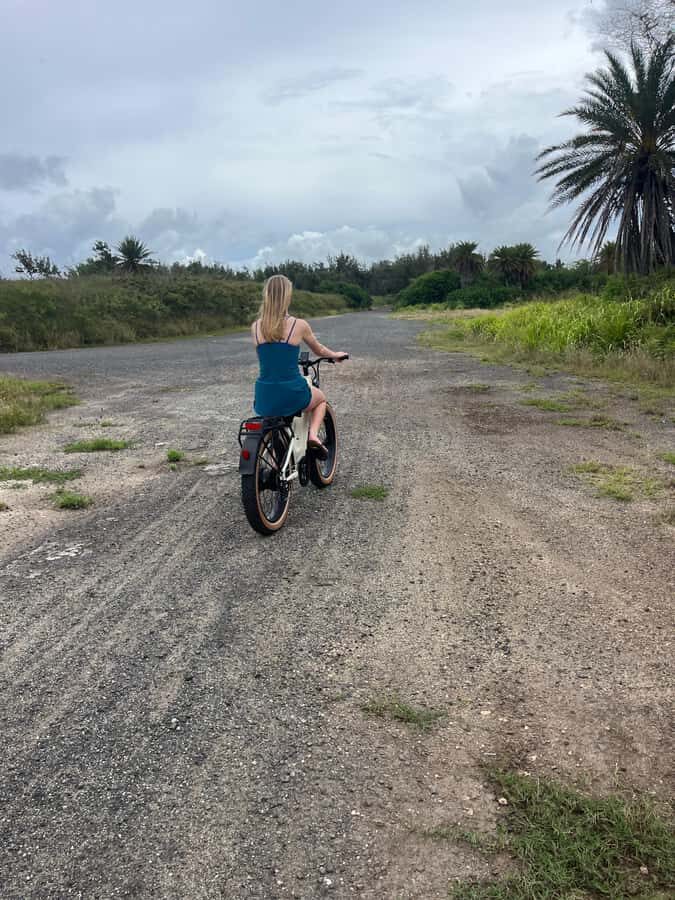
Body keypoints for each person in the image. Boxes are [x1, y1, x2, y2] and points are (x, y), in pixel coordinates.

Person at [251, 274, 348, 458]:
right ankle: (313, 436)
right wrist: (336, 355)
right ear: (287, 296)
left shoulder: (255, 327)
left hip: (264, 394)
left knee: (275, 412)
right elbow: (319, 350)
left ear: (267, 296)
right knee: (320, 399)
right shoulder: (298, 325)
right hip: (291, 391)